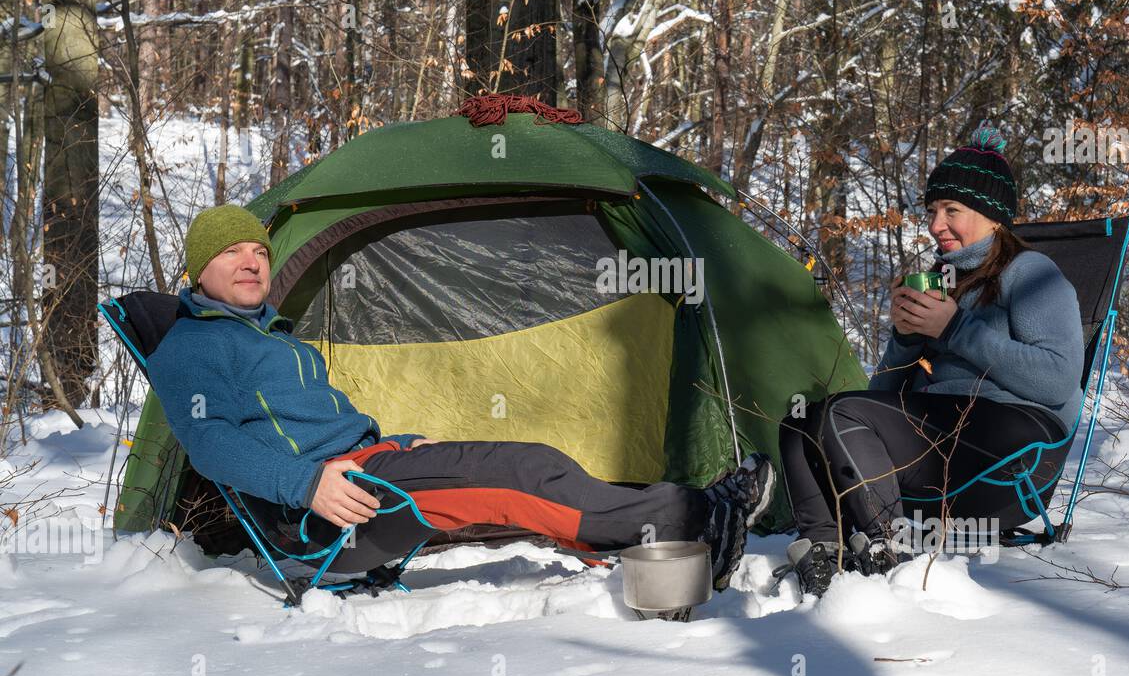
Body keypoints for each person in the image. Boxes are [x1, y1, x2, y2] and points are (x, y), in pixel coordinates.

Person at [149, 204, 774, 592]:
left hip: (371, 468)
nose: (252, 262)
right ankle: (696, 518)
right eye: (232, 252)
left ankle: (664, 524)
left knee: (530, 465)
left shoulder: (271, 337)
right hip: (322, 514)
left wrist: (390, 444)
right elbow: (211, 442)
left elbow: (315, 424)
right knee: (516, 476)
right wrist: (305, 484)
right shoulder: (193, 346)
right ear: (198, 269)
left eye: (259, 251)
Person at [775, 127, 1084, 599]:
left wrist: (954, 328)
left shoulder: (1032, 273)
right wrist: (904, 338)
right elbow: (882, 396)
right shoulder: (945, 280)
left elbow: (1057, 380)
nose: (937, 224)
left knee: (841, 412)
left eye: (952, 211)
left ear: (992, 216)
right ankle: (823, 553)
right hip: (945, 439)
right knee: (803, 419)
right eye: (933, 211)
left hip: (1013, 449)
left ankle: (888, 553)